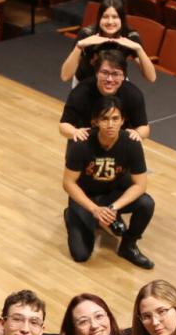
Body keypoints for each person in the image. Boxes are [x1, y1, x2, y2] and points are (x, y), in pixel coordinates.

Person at [61, 95, 155, 269]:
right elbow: (68, 183)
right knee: (81, 255)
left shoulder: (132, 143)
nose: (110, 124)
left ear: (122, 120)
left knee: (146, 203)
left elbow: (140, 185)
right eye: (104, 119)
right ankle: (71, 215)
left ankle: (128, 245)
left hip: (112, 196)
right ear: (95, 121)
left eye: (115, 118)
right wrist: (94, 209)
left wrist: (114, 208)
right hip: (85, 199)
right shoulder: (81, 143)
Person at [59, 46, 151, 143]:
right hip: (86, 140)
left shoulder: (133, 94)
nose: (109, 79)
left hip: (118, 142)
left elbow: (144, 127)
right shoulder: (80, 92)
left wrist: (138, 134)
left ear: (123, 76)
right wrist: (74, 132)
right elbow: (63, 125)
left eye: (115, 74)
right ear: (97, 73)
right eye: (105, 72)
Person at [59, 0, 154, 87]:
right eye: (105, 17)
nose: (110, 22)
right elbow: (65, 76)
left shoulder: (130, 36)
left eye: (115, 17)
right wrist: (79, 46)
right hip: (86, 83)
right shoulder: (87, 34)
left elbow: (151, 77)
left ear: (122, 19)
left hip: (115, 83)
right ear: (99, 18)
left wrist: (139, 48)